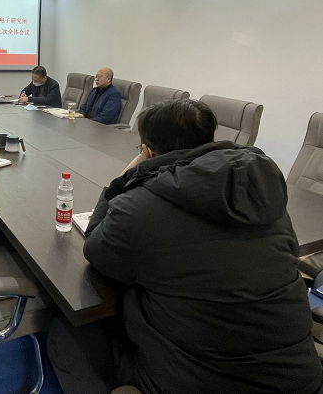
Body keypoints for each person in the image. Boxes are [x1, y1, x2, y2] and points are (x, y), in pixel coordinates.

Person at [48, 99, 323, 394]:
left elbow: (96, 249)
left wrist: (122, 180)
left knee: (65, 333)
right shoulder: (264, 193)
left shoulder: (140, 206)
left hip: (198, 382)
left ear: (146, 151)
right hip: (301, 381)